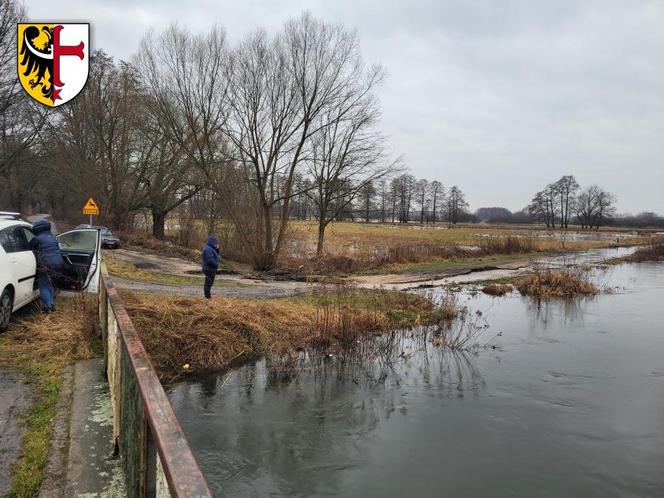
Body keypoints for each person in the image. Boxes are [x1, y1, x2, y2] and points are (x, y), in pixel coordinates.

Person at [29, 219, 65, 312]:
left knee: (43, 285)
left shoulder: (37, 239)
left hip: (46, 265)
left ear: (37, 229)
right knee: (50, 284)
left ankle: (46, 307)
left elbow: (29, 248)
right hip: (59, 264)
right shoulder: (52, 237)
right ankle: (51, 304)